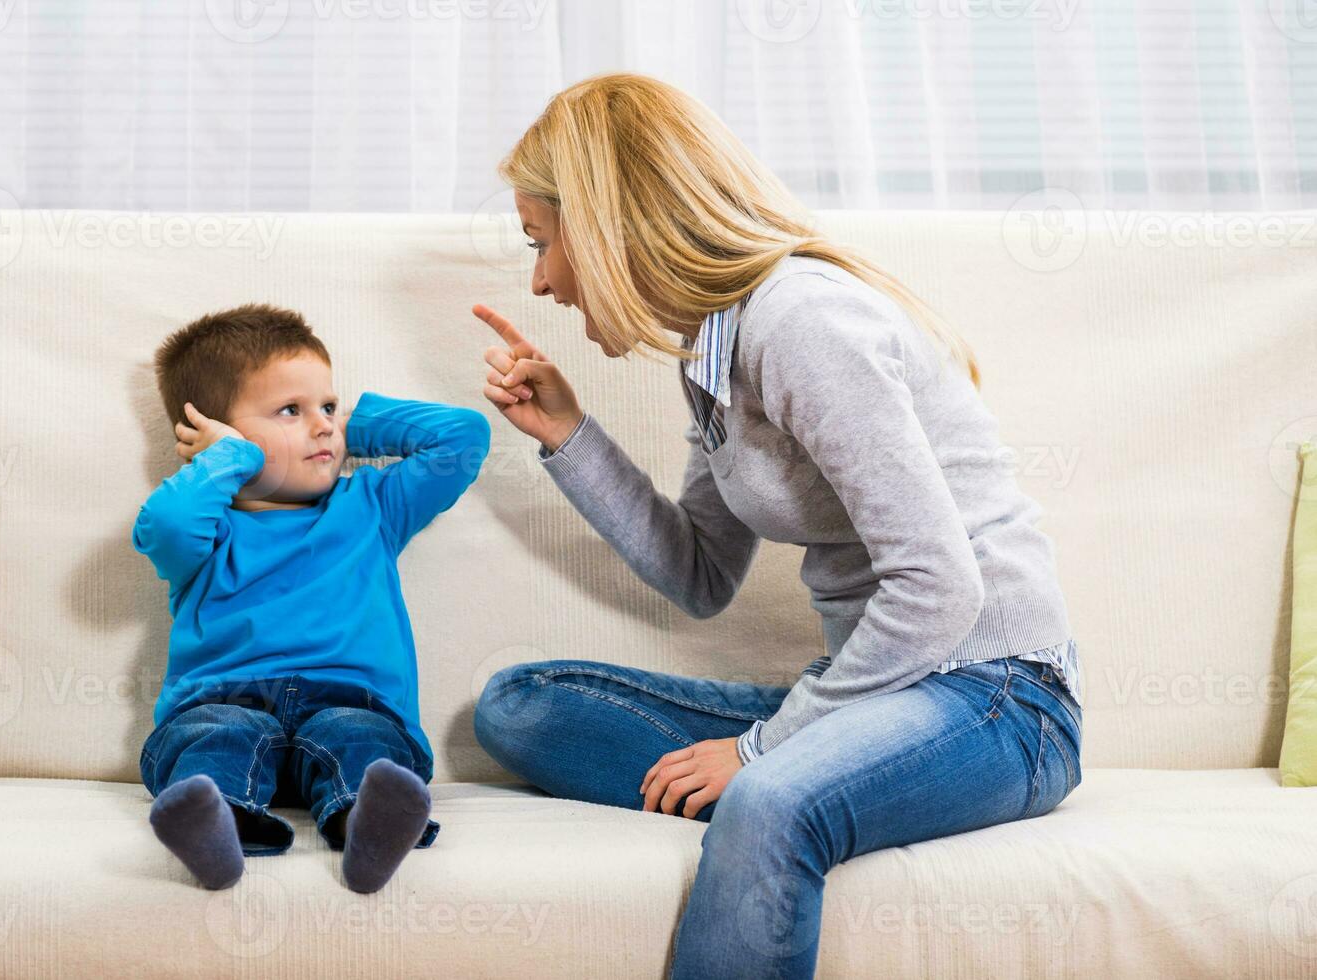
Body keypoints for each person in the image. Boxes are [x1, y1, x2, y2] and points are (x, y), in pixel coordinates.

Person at [467, 73, 1083, 979]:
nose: (541, 280)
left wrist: (761, 752)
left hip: (996, 699)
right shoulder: (713, 348)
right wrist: (568, 434)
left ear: (605, 225)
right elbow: (701, 572)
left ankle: (814, 783)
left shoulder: (801, 322)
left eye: (542, 241)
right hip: (876, 690)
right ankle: (844, 775)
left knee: (767, 801)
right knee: (520, 708)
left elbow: (942, 587)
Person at [133, 302, 489, 892]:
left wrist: (353, 424)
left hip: (354, 704)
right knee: (215, 735)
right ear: (216, 435)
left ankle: (368, 828)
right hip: (227, 700)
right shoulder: (209, 529)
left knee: (358, 737)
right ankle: (217, 830)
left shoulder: (371, 506)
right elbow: (162, 526)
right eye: (290, 411)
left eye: (326, 405)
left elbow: (462, 438)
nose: (322, 424)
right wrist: (229, 458)